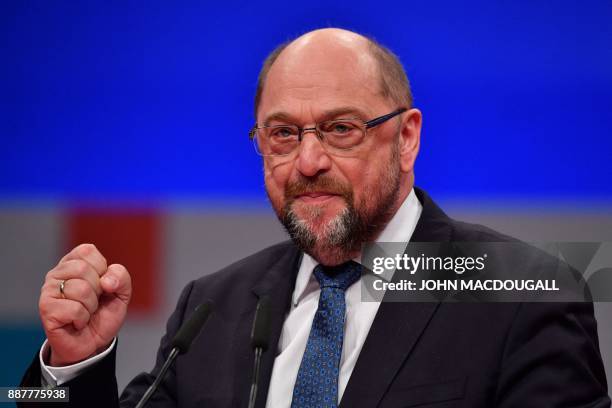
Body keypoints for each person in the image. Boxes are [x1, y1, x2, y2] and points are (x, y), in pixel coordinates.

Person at [20, 28, 610, 407]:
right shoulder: (213, 306)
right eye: (282, 134)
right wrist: (75, 366)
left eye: (340, 129)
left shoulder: (521, 294)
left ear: (406, 138)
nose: (307, 161)